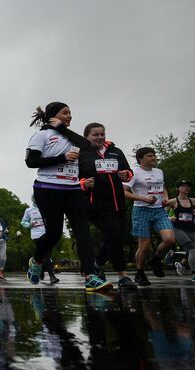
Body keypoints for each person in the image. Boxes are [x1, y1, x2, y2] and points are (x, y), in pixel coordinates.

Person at [24, 102, 111, 291]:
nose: (70, 115)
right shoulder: (41, 135)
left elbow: (88, 148)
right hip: (48, 188)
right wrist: (62, 158)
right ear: (53, 116)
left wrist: (62, 128)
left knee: (83, 232)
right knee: (54, 234)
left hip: (72, 189)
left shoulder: (73, 137)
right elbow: (31, 162)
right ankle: (37, 260)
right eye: (65, 113)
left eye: (71, 112)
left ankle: (90, 276)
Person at [53, 121, 137, 289]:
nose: (99, 137)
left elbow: (129, 173)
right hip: (96, 204)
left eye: (102, 134)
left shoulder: (115, 151)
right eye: (95, 134)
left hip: (118, 203)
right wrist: (84, 183)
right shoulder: (81, 153)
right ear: (86, 137)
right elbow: (73, 177)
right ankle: (123, 276)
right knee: (113, 236)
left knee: (115, 238)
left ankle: (97, 264)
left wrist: (125, 175)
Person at [124, 147, 175, 286]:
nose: (153, 158)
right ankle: (140, 273)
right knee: (144, 245)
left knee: (170, 240)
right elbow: (124, 192)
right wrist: (143, 198)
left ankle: (156, 259)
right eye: (149, 156)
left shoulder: (159, 172)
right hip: (141, 210)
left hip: (159, 210)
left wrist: (166, 198)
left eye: (154, 155)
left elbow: (163, 188)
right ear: (141, 158)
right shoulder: (134, 173)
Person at [167, 180, 195, 282]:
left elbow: (194, 212)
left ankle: (173, 254)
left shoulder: (193, 201)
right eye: (183, 186)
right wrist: (169, 218)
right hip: (177, 229)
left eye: (188, 186)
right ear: (178, 189)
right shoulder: (173, 201)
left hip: (190, 229)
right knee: (193, 250)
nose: (186, 188)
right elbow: (161, 215)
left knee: (194, 251)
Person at [21, 197, 58, 283]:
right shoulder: (28, 210)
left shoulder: (46, 208)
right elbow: (23, 222)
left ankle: (38, 266)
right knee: (46, 254)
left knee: (47, 254)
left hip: (47, 234)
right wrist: (30, 224)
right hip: (36, 235)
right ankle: (52, 276)